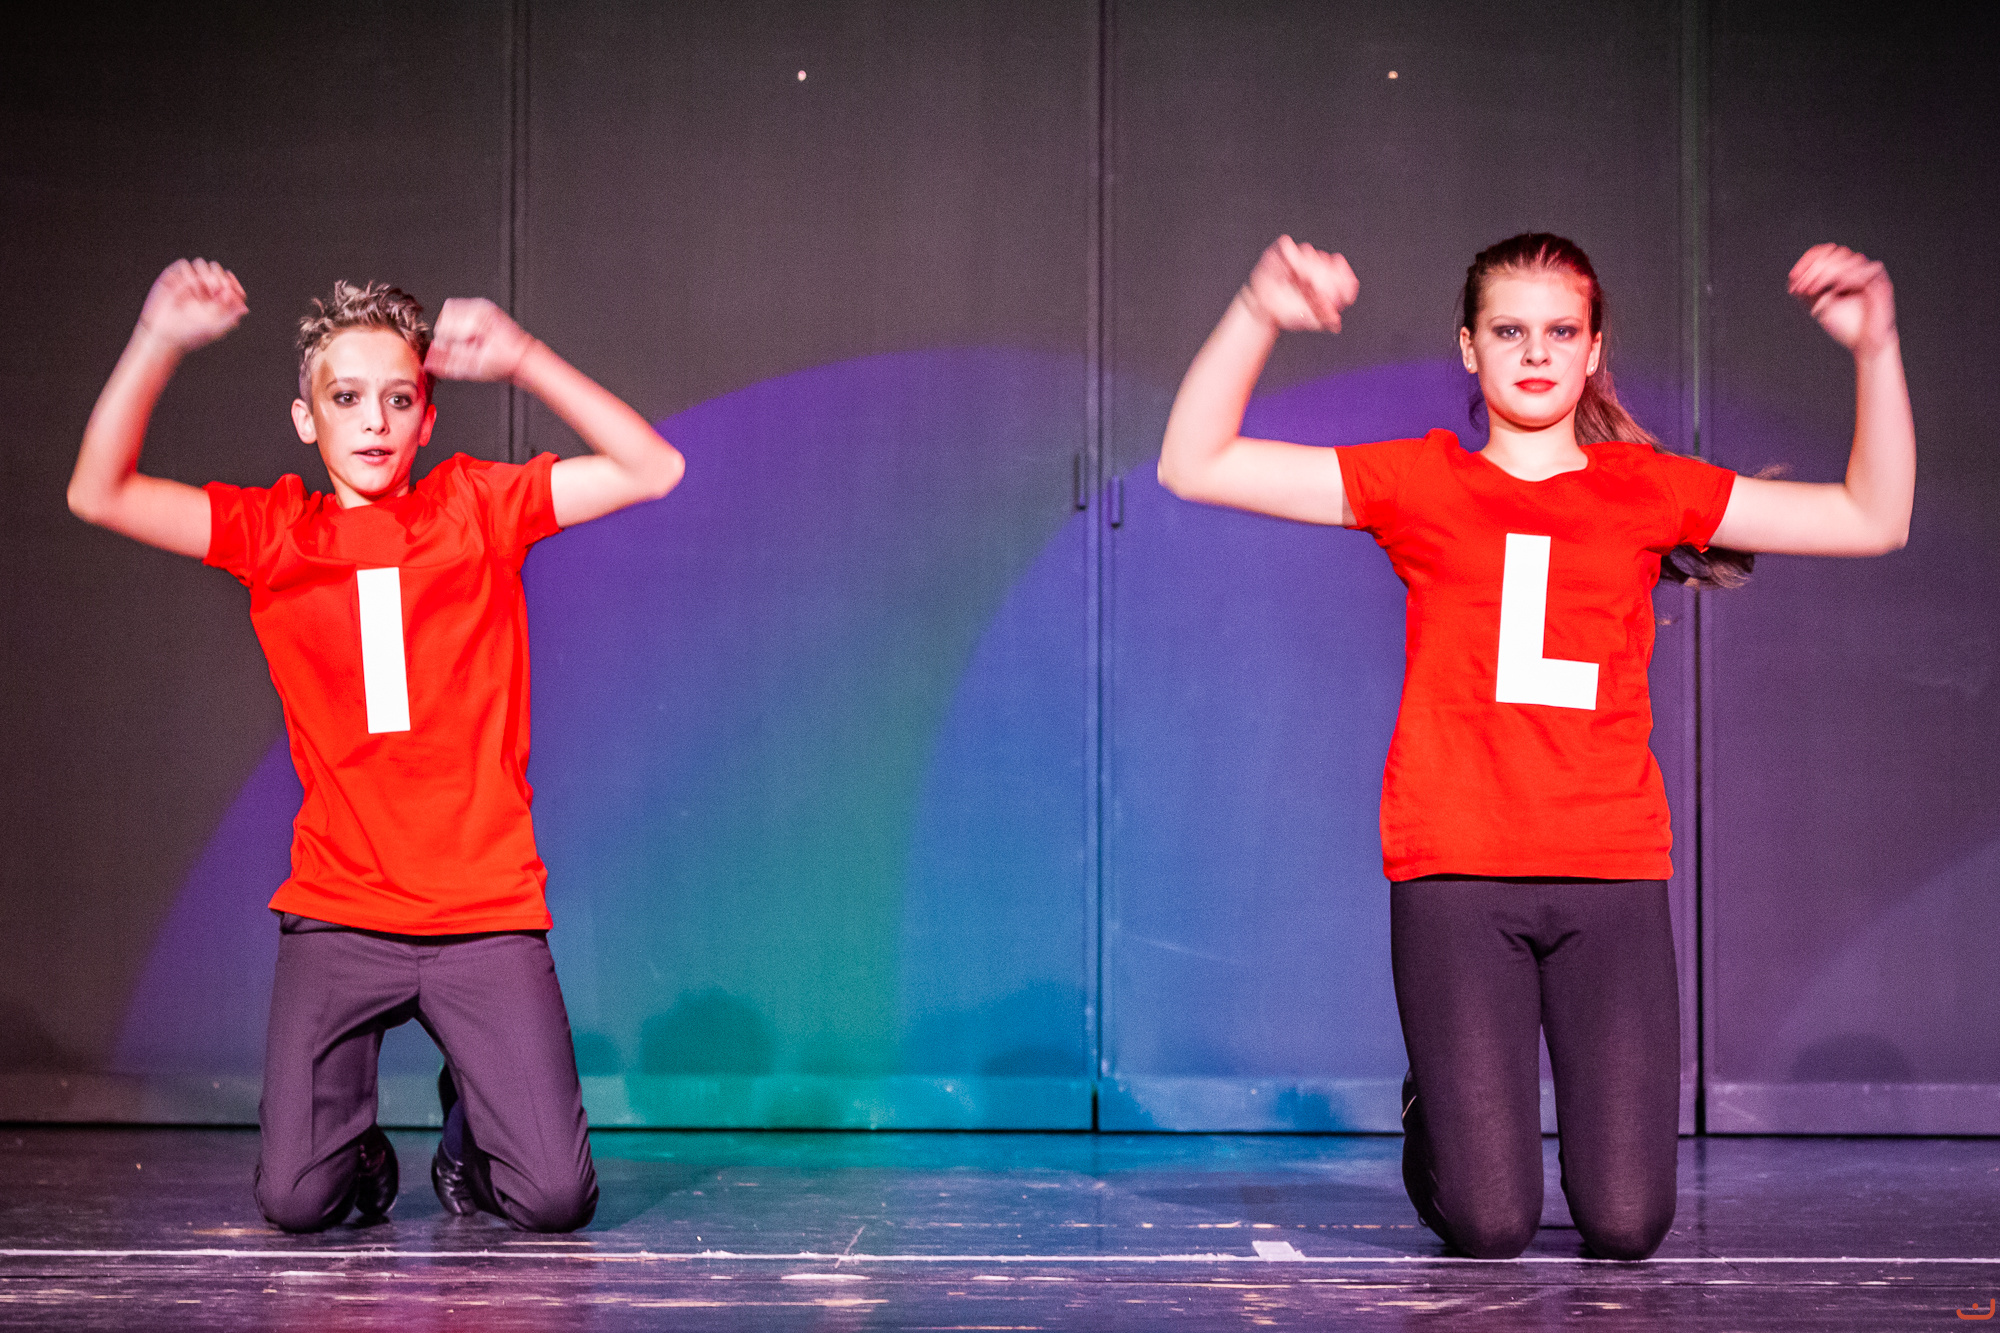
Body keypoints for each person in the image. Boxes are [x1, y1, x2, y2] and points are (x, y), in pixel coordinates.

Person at [1157, 232, 1912, 1259]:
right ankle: (1440, 1100)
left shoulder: (1649, 487)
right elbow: (1192, 461)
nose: (1535, 353)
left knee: (1627, 1223)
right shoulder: (1418, 480)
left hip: (1611, 875)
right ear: (1468, 346)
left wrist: (1875, 346)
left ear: (1594, 349)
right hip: (1456, 875)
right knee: (1490, 1224)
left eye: (1560, 332)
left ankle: (1478, 1099)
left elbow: (1871, 516)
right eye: (1508, 331)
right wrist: (1256, 309)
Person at [68, 259, 686, 1233]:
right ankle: (354, 1151)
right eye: (345, 398)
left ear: (427, 419)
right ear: (305, 419)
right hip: (341, 911)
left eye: (398, 400)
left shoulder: (476, 508)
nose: (373, 423)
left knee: (555, 1198)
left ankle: (468, 1136)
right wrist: (158, 340)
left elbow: (653, 468)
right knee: (295, 1200)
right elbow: (98, 493)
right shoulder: (277, 534)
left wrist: (523, 357)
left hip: (481, 908)